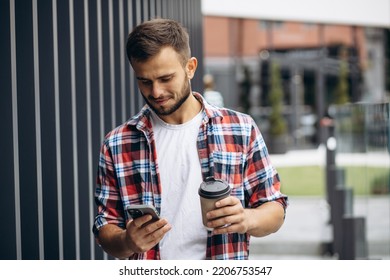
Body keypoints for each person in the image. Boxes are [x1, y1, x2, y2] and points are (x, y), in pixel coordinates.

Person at [93, 18, 288, 260]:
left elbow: (275, 209)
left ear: (190, 67)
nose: (156, 92)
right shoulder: (117, 144)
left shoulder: (240, 129)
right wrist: (126, 241)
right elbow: (105, 229)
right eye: (144, 81)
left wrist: (247, 218)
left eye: (165, 78)